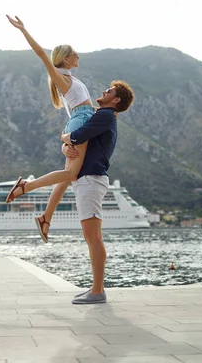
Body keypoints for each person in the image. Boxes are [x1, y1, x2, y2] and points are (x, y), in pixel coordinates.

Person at [5, 15, 94, 243]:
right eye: (74, 53)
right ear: (65, 58)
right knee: (71, 174)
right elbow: (42, 55)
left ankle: (45, 218)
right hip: (81, 120)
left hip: (80, 119)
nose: (78, 56)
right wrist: (23, 30)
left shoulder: (71, 79)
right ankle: (26, 186)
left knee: (66, 178)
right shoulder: (61, 78)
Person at [60, 80, 135, 304]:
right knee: (91, 237)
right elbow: (76, 141)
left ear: (116, 99)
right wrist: (68, 143)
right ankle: (96, 288)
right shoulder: (102, 116)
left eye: (109, 91)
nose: (104, 91)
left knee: (93, 237)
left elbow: (77, 136)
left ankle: (97, 291)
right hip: (89, 179)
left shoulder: (105, 115)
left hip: (91, 179)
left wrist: (65, 138)